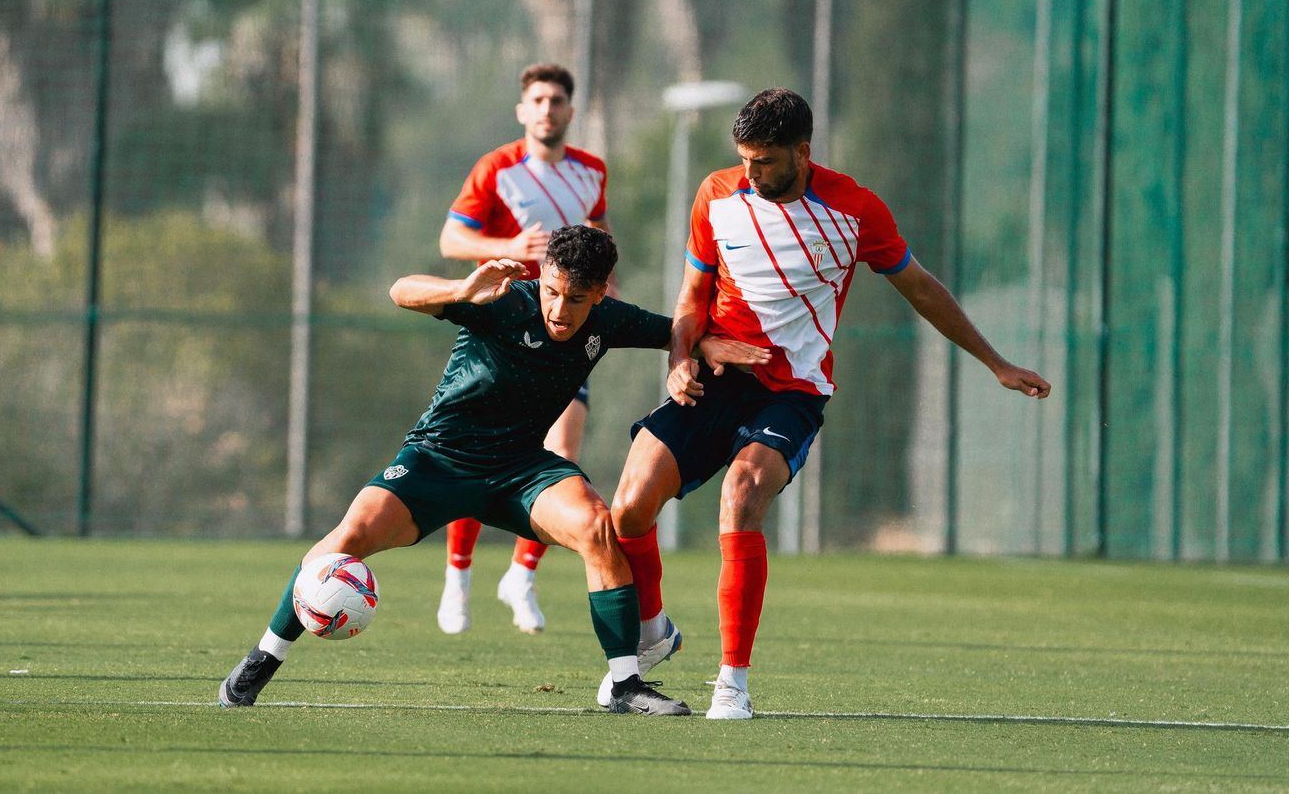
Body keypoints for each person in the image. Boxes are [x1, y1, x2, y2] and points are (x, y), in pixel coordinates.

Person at [600, 88, 1052, 720]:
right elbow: (690, 296)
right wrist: (679, 363)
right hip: (714, 375)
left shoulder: (856, 209)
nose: (750, 175)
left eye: (764, 161)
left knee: (742, 494)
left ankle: (732, 683)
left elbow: (921, 289)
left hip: (793, 391)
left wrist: (996, 362)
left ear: (802, 151)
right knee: (628, 508)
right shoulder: (716, 194)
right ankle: (653, 631)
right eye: (744, 160)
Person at [218, 226, 764, 715]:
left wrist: (703, 342)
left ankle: (625, 686)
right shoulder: (502, 302)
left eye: (576, 298)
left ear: (599, 293)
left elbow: (672, 329)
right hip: (438, 459)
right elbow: (401, 290)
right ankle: (265, 657)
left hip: (521, 469)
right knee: (347, 539)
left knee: (598, 526)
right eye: (551, 291)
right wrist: (460, 290)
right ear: (541, 278)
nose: (559, 309)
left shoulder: (607, 321)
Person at [435, 63, 614, 635]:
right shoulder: (497, 168)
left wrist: (610, 298)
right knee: (478, 452)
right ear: (522, 110)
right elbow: (451, 240)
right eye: (537, 99)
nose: (546, 108)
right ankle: (457, 580)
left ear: (570, 110)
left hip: (566, 330)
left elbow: (601, 242)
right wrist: (508, 245)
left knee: (560, 453)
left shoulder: (591, 172)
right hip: (506, 329)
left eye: (557, 99)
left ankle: (520, 575)